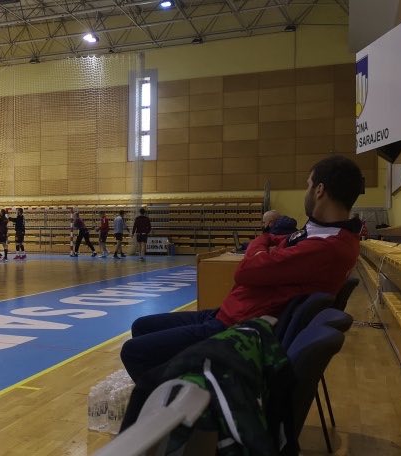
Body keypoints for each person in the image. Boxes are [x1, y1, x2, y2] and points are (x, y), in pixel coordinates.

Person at [120, 156, 365, 384]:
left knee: (134, 352)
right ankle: (176, 382)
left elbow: (246, 270)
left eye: (308, 185)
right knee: (142, 326)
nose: (306, 191)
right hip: (231, 312)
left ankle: (178, 402)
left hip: (239, 328)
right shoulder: (323, 234)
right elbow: (271, 245)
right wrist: (264, 245)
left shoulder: (328, 246)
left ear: (319, 190)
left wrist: (262, 240)